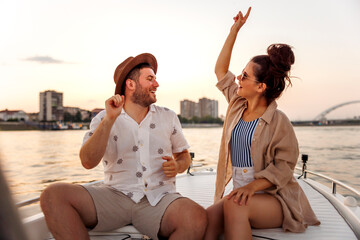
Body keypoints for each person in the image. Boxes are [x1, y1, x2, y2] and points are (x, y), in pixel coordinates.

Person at [40, 53, 207, 240]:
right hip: (114, 195)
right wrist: (109, 120)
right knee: (52, 195)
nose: (156, 84)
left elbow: (184, 156)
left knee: (196, 217)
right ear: (131, 84)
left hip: (159, 199)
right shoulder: (104, 118)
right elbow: (87, 162)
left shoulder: (168, 116)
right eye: (150, 79)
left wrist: (177, 166)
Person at [204, 7, 320, 240]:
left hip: (275, 198)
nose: (238, 78)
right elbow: (220, 71)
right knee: (206, 220)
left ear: (261, 87)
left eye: (245, 75)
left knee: (234, 205)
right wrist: (234, 31)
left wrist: (251, 188)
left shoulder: (279, 122)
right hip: (242, 195)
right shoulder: (237, 104)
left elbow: (284, 167)